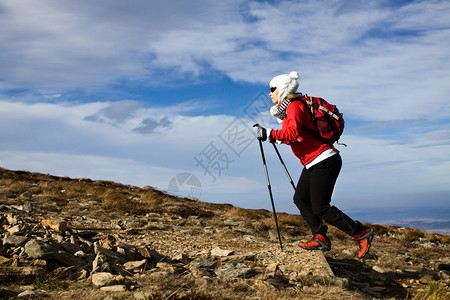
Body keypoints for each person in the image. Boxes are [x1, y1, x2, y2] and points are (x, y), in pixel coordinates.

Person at [253, 71, 374, 258]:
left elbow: (292, 134)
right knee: (300, 199)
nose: (269, 93)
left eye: (272, 89)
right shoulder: (290, 108)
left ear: (283, 88)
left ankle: (360, 233)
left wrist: (268, 134)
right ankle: (320, 237)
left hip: (324, 160)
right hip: (314, 161)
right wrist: (271, 137)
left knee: (321, 207)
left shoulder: (294, 106)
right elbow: (295, 136)